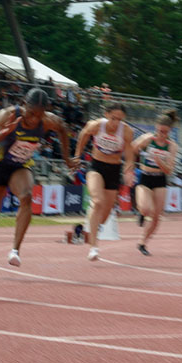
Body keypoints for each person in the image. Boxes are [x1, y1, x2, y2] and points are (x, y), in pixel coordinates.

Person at [0, 87, 76, 267]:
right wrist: (5, 132)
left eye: (39, 115)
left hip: (20, 166)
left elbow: (63, 129)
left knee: (26, 197)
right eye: (31, 114)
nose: (34, 119)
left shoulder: (48, 121)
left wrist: (67, 158)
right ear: (23, 105)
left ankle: (15, 250)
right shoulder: (7, 115)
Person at [72, 103, 136, 261]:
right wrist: (78, 155)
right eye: (113, 118)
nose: (115, 123)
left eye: (119, 120)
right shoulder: (96, 125)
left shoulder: (126, 131)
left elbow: (129, 153)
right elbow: (84, 134)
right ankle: (94, 247)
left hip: (114, 170)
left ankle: (88, 228)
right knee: (97, 201)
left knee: (105, 216)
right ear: (106, 115)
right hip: (96, 167)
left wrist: (129, 169)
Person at [130, 110, 177, 256]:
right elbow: (131, 149)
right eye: (159, 130)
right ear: (156, 127)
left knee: (157, 217)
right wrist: (133, 161)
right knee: (145, 209)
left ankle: (143, 242)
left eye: (165, 132)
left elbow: (169, 170)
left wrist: (160, 162)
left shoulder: (171, 146)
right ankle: (141, 214)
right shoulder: (148, 139)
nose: (161, 134)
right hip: (145, 177)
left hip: (160, 179)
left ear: (169, 131)